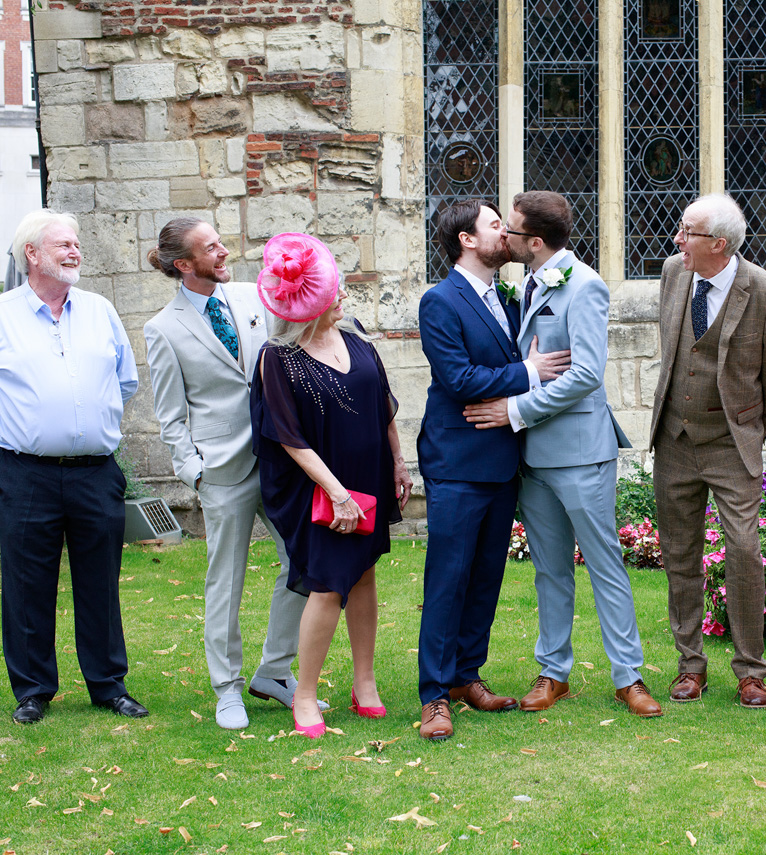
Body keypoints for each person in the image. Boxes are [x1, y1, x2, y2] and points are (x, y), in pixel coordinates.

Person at [462, 191, 661, 718]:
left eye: (510, 229)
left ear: (534, 241)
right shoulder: (522, 285)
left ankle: (629, 676)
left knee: (604, 565)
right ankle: (553, 671)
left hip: (579, 452)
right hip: (531, 460)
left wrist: (514, 412)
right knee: (550, 570)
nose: (501, 235)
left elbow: (586, 375)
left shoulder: (586, 286)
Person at [145, 218, 325, 730]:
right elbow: (170, 415)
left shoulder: (252, 296)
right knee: (225, 579)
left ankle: (274, 671)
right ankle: (227, 688)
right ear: (184, 265)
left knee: (303, 562)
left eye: (221, 242)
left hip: (279, 458)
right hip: (221, 469)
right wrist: (194, 472)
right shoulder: (163, 328)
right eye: (212, 248)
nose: (225, 252)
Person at [416, 199, 570, 740]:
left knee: (486, 578)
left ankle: (465, 676)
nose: (505, 231)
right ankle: (433, 694)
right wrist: (528, 371)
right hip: (457, 461)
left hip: (502, 461)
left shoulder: (507, 297)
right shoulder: (440, 301)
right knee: (447, 580)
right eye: (493, 224)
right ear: (465, 239)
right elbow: (458, 379)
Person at [249, 233, 411, 738]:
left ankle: (365, 683)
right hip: (318, 490)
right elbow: (287, 438)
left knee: (363, 576)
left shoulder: (356, 336)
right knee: (325, 587)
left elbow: (382, 404)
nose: (343, 296)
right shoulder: (277, 358)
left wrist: (399, 461)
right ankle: (303, 696)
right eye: (334, 291)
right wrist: (336, 492)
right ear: (309, 304)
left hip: (368, 479)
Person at [0, 209, 147, 723]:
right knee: (25, 582)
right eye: (62, 244)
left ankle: (109, 685)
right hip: (23, 473)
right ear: (32, 255)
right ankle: (33, 691)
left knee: (101, 583)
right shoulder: (3, 315)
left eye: (76, 243)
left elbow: (125, 381)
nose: (74, 251)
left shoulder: (100, 310)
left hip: (95, 472)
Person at [648, 194, 766, 709]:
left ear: (719, 244)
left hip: (732, 445)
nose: (677, 240)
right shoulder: (673, 273)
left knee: (745, 551)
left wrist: (747, 428)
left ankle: (751, 671)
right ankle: (691, 667)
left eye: (686, 232)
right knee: (680, 554)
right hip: (674, 441)